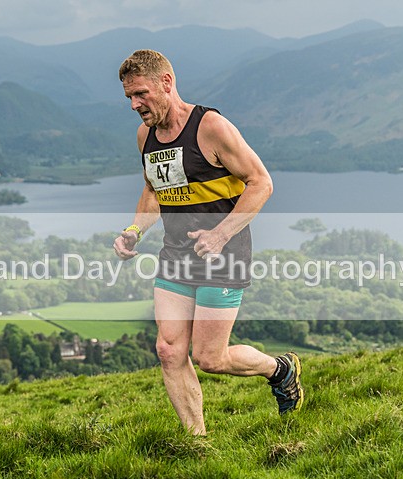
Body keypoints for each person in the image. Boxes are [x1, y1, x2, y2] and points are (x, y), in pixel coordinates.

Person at [113, 49, 302, 435]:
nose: (135, 104)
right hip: (176, 257)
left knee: (211, 358)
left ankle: (280, 369)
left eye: (141, 94)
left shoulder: (210, 127)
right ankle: (197, 443)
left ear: (166, 83)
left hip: (224, 256)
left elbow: (261, 182)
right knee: (168, 351)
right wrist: (134, 231)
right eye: (130, 97)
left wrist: (220, 234)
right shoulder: (145, 136)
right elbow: (153, 189)